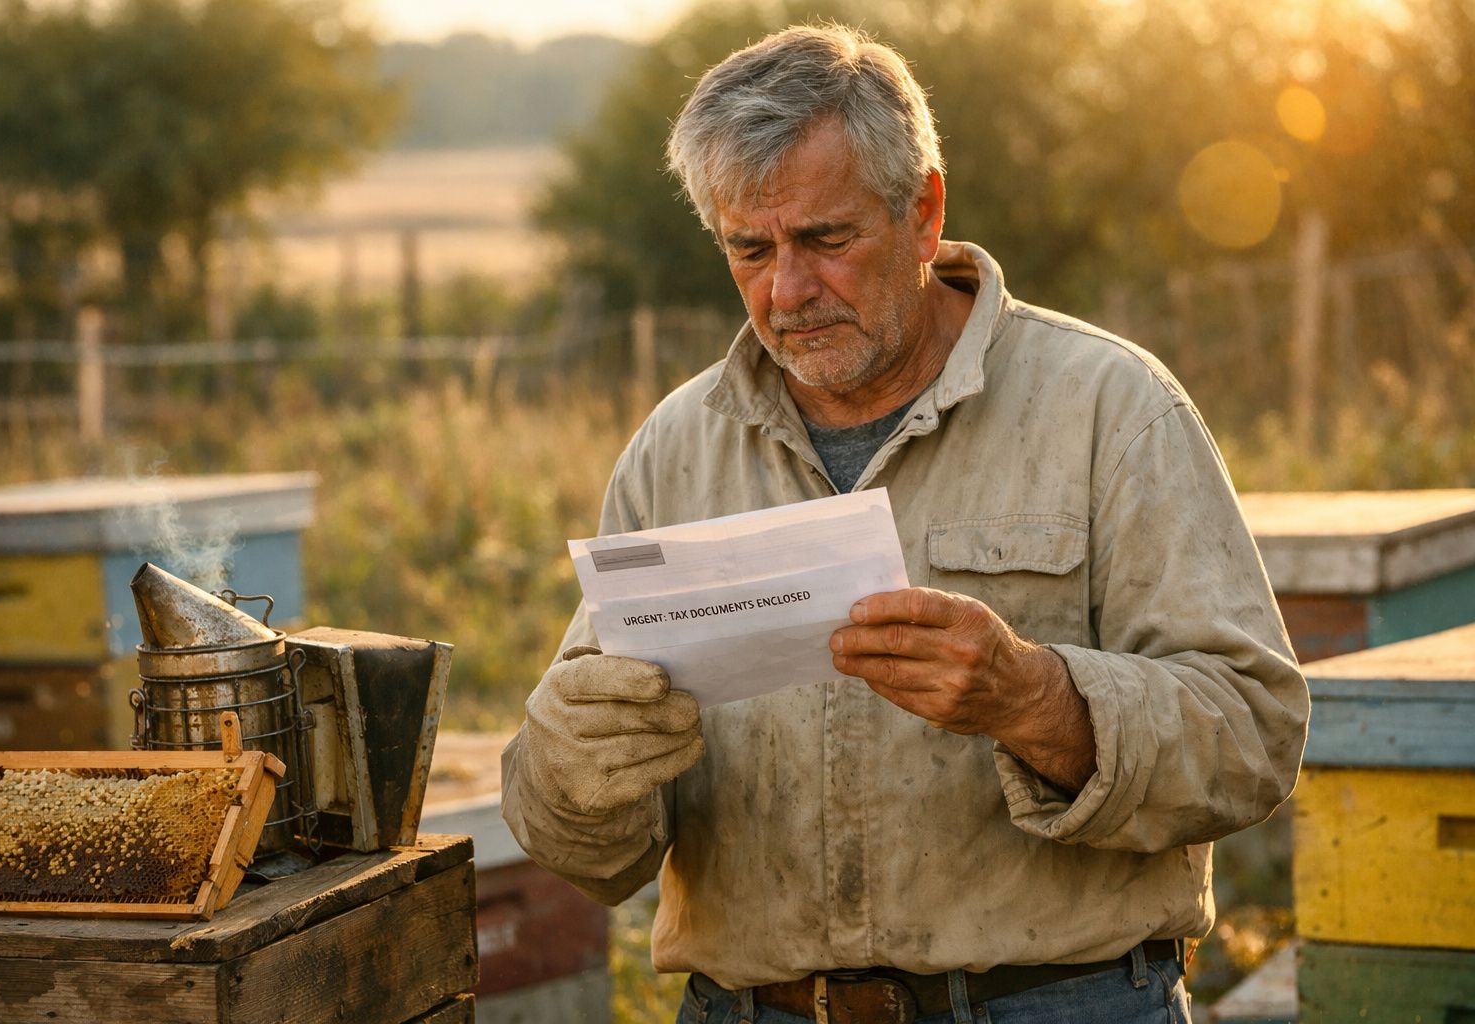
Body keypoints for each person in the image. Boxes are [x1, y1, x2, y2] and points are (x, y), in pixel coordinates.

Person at [502, 23, 1308, 1023]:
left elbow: (1255, 735)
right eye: (748, 248)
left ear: (923, 212)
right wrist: (569, 766)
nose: (787, 290)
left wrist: (1036, 697)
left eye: (826, 239)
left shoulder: (1111, 408)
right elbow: (594, 849)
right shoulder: (674, 453)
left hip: (1063, 1004)